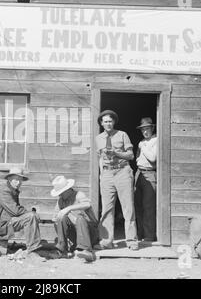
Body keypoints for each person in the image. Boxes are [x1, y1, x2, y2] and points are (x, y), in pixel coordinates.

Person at [95, 110, 139, 250]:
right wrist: (102, 175)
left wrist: (116, 153)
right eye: (105, 121)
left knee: (128, 207)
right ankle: (106, 241)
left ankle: (132, 241)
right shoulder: (98, 138)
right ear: (101, 123)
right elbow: (100, 158)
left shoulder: (122, 135)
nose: (108, 123)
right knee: (107, 208)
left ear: (113, 122)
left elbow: (131, 155)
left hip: (122, 171)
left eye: (110, 121)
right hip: (107, 174)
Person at [0, 167, 42, 257]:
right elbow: (15, 211)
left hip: (3, 222)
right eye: (15, 180)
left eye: (20, 180)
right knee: (31, 217)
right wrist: (31, 213)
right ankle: (32, 250)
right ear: (9, 179)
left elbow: (15, 211)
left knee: (30, 216)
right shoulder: (4, 191)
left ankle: (33, 248)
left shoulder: (12, 190)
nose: (18, 183)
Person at [51, 176, 99, 262]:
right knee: (61, 217)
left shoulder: (79, 195)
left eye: (61, 192)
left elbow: (87, 204)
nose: (59, 195)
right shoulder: (60, 201)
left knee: (80, 218)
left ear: (67, 189)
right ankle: (62, 249)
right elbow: (55, 219)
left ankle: (86, 250)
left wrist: (69, 208)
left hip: (90, 233)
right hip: (75, 236)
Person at [134, 117, 157, 242]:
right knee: (138, 205)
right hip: (139, 173)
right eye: (143, 129)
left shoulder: (156, 140)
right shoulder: (142, 141)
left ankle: (149, 235)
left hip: (150, 173)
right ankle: (139, 234)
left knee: (148, 206)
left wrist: (143, 147)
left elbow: (153, 157)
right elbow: (137, 158)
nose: (145, 131)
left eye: (147, 128)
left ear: (152, 128)